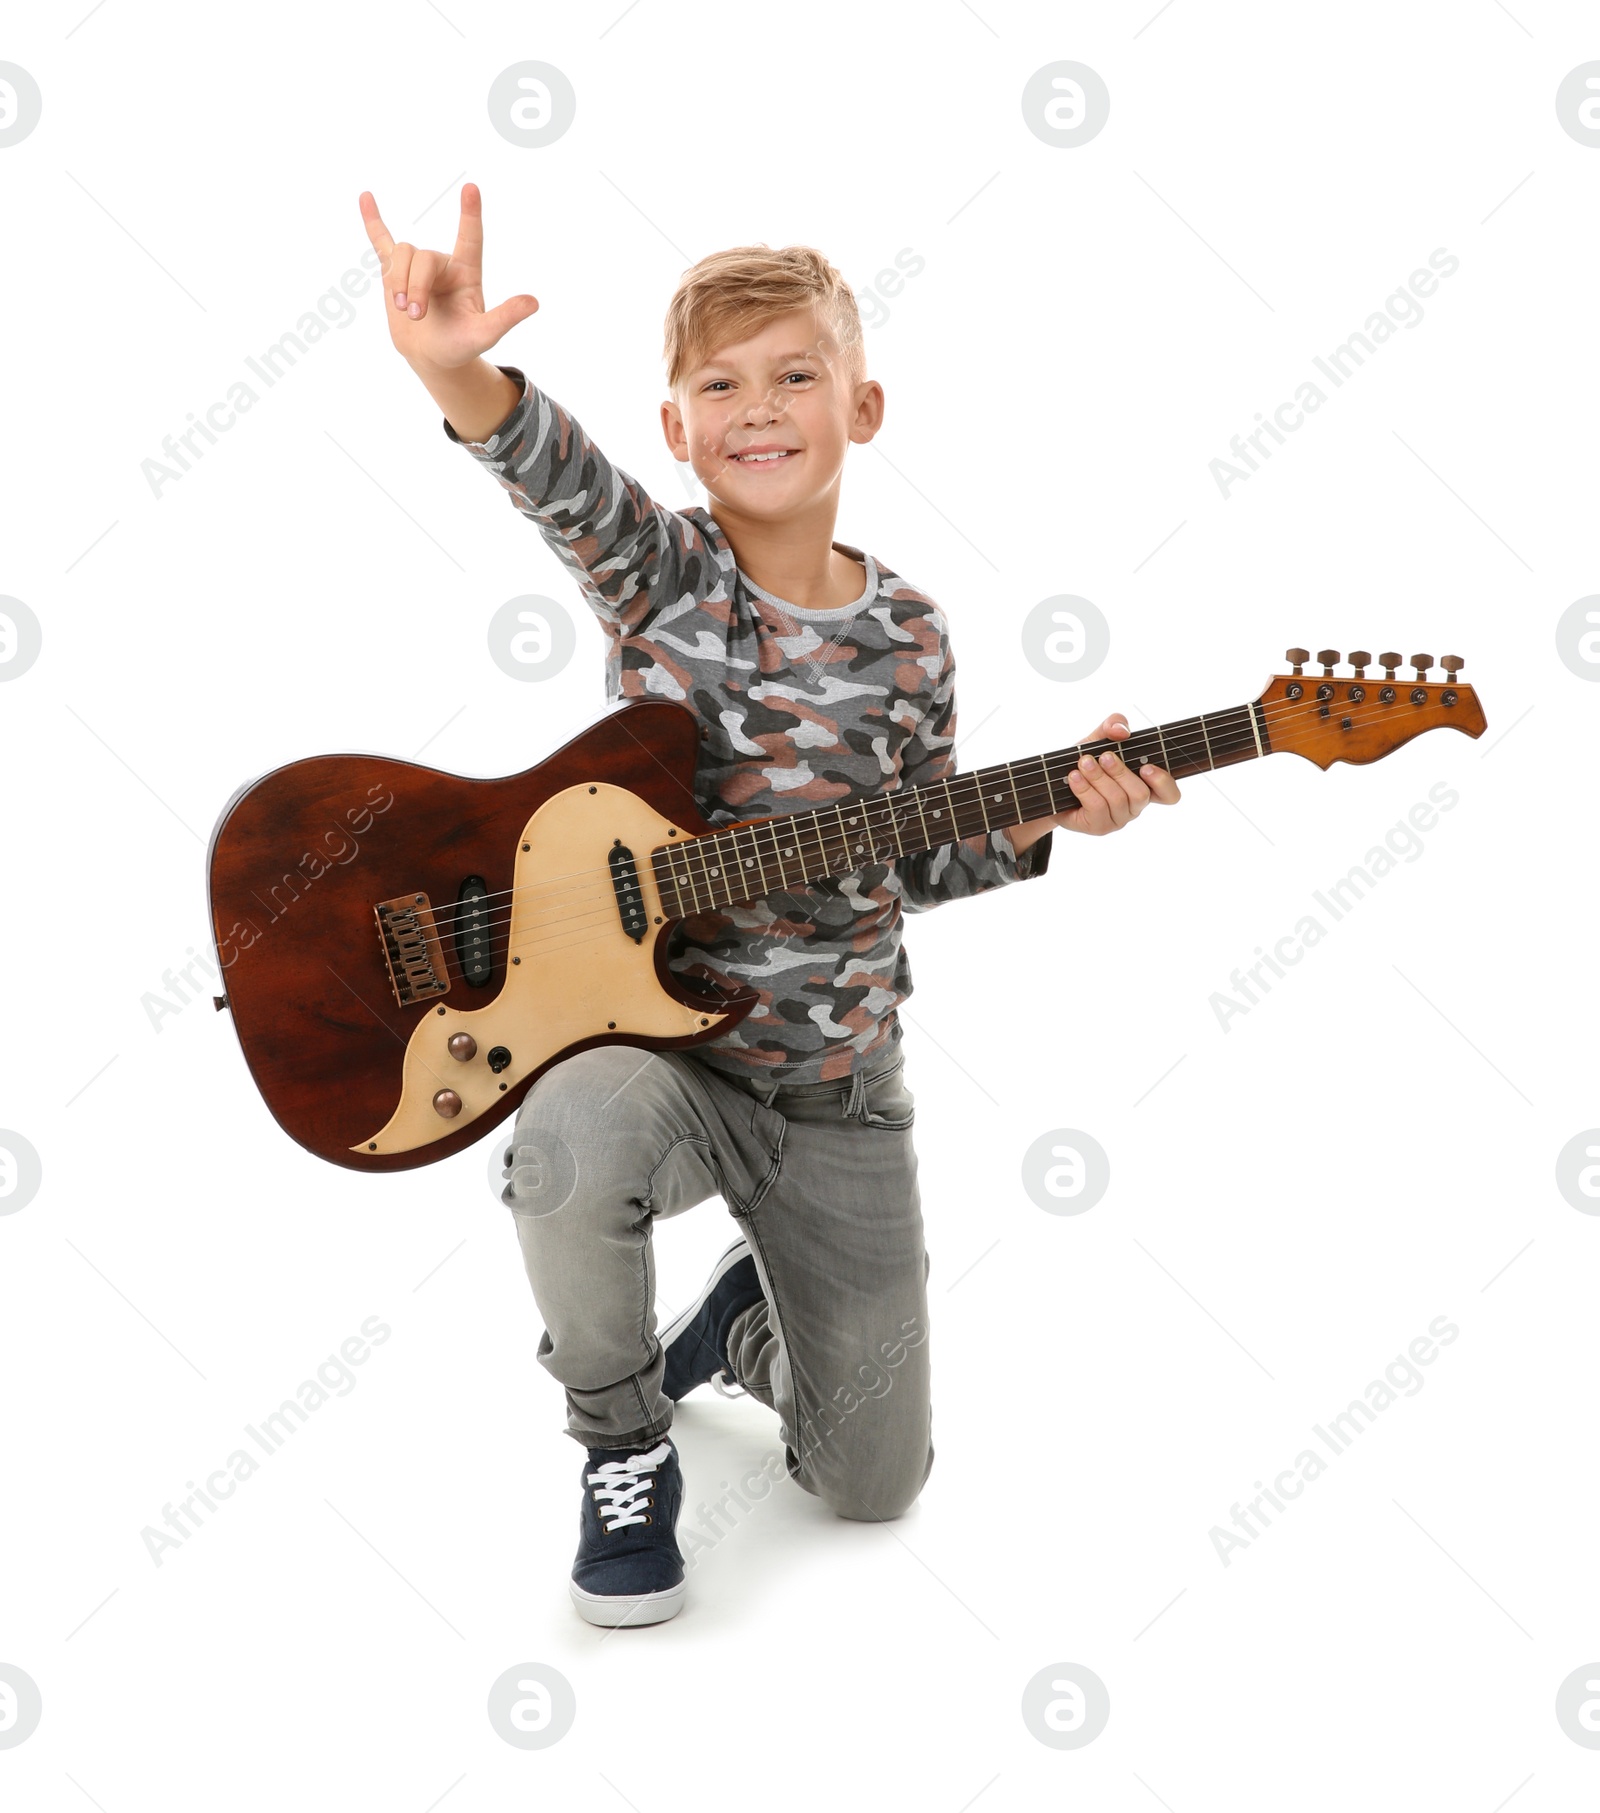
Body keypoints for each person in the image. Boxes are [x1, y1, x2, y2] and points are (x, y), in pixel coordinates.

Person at [359, 181, 1181, 1628]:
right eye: (720, 384)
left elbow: (914, 856)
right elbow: (551, 471)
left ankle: (740, 1324)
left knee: (872, 1483)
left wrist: (1049, 814)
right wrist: (453, 367)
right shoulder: (660, 574)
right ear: (678, 429)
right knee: (560, 1142)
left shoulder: (914, 634)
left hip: (838, 1093)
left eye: (797, 373)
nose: (760, 406)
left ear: (863, 406)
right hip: (662, 1068)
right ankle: (621, 1445)